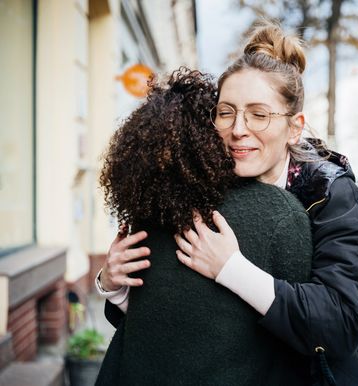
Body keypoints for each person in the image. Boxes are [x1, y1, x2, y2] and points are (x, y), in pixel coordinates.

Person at [98, 22, 358, 385]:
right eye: (226, 112)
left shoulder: (332, 195)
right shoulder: (207, 188)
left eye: (258, 114)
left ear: (294, 127)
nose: (238, 128)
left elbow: (341, 325)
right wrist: (114, 283)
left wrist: (231, 269)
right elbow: (176, 316)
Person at [95, 68, 314, 385]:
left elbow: (149, 322)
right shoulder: (279, 214)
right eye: (226, 115)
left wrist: (110, 287)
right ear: (209, 134)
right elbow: (310, 332)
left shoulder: (150, 215)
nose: (238, 130)